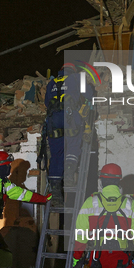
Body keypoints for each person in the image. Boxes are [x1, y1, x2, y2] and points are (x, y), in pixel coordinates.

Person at [40, 69, 93, 206]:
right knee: (73, 146)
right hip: (70, 117)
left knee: (57, 155)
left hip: (53, 120)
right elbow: (89, 94)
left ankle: (56, 194)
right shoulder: (76, 77)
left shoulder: (52, 82)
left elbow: (47, 103)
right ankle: (69, 175)